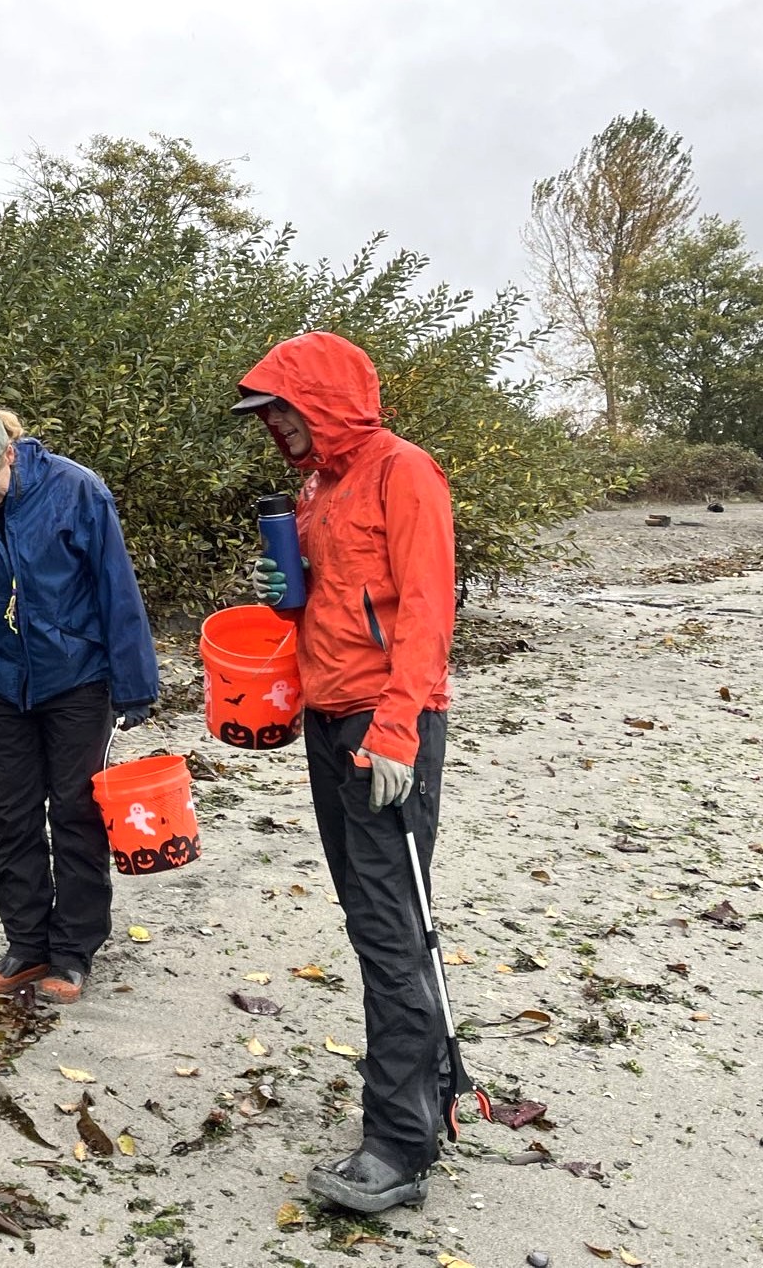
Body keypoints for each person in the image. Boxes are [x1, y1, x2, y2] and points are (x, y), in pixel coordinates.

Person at [233, 332, 457, 1214]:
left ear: (321, 399)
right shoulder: (318, 485)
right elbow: (339, 600)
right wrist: (285, 591)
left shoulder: (405, 471)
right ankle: (430, 1091)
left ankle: (399, 1146)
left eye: (283, 409)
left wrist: (397, 729)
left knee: (387, 926)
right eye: (268, 417)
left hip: (384, 725)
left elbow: (428, 607)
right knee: (382, 915)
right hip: (329, 718)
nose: (275, 427)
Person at [0, 407, 160, 1005]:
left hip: (78, 677)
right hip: (1, 680)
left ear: (8, 453)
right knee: (13, 813)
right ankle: (26, 944)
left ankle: (74, 950)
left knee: (77, 813)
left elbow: (116, 588)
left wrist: (134, 683)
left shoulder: (76, 490)